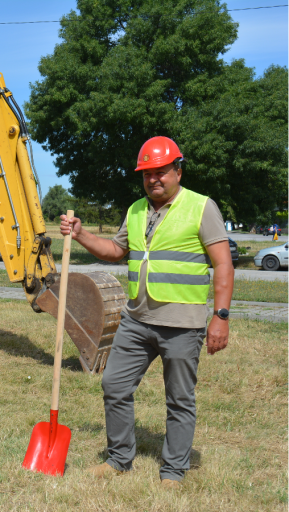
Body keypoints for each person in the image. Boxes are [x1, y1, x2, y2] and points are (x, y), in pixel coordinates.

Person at [60, 136, 234, 488]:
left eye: (160, 172)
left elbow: (223, 264)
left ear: (178, 171)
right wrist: (81, 235)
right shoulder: (136, 210)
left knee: (179, 399)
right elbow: (115, 250)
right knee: (114, 385)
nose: (153, 179)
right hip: (136, 320)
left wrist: (221, 316)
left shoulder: (201, 207)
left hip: (182, 324)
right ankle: (119, 459)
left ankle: (173, 470)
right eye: (147, 174)